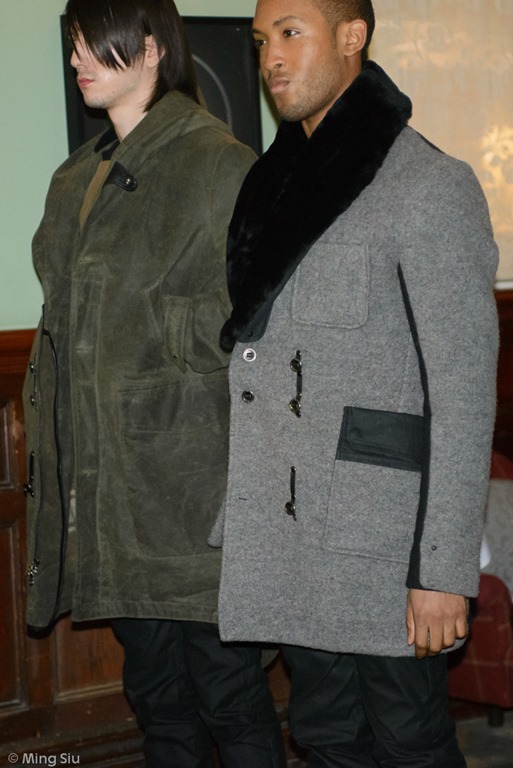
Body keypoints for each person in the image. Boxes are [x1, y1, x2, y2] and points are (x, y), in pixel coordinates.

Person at [211, 0, 499, 765]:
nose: (271, 57)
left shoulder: (427, 184)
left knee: (408, 742)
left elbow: (463, 396)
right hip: (296, 532)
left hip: (385, 545)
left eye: (290, 33)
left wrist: (440, 572)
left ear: (351, 37)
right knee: (323, 735)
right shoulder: (271, 187)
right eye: (261, 39)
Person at [22, 1, 286, 766]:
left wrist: (162, 328)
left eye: (92, 43)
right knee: (158, 699)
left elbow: (264, 315)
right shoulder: (76, 177)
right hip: (113, 495)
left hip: (195, 490)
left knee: (229, 695)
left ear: (148, 48)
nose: (77, 59)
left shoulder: (217, 162)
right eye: (72, 44)